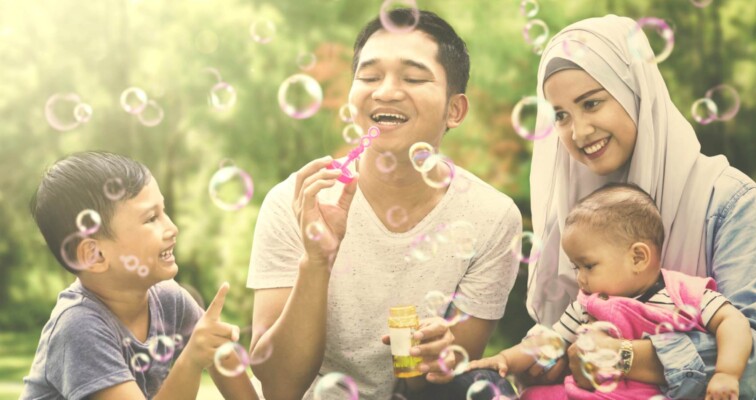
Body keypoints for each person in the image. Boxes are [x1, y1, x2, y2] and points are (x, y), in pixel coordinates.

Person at [247, 8, 522, 400]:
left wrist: (431, 354)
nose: (386, 91)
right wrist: (316, 259)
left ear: (455, 109)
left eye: (412, 77)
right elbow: (278, 387)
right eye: (370, 77)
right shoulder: (296, 202)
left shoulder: (492, 218)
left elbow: (444, 387)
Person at [525, 14, 756, 399]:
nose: (578, 131)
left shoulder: (728, 199)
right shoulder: (576, 210)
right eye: (561, 115)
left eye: (592, 103)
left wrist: (627, 355)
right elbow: (568, 336)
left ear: (636, 92)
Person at [470, 183, 752, 399]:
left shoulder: (681, 292)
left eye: (588, 266)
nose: (580, 278)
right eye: (575, 267)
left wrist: (727, 372)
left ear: (638, 257)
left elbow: (733, 321)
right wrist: (505, 358)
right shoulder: (587, 304)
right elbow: (549, 342)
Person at [21, 151, 257, 400]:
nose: (172, 228)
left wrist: (214, 344)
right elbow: (196, 356)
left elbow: (230, 369)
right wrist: (191, 361)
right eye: (152, 218)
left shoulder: (170, 300)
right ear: (95, 255)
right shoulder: (78, 328)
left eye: (163, 212)